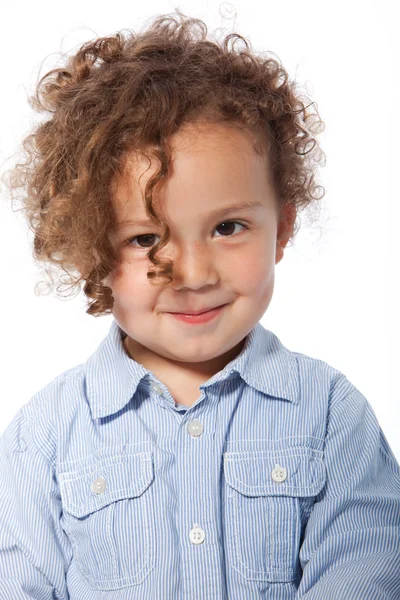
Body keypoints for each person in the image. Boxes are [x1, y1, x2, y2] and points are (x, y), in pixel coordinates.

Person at [0, 9, 399, 600]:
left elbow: (363, 576)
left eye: (228, 227)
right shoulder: (46, 436)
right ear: (90, 245)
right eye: (145, 239)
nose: (191, 274)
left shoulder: (331, 416)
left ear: (282, 226)